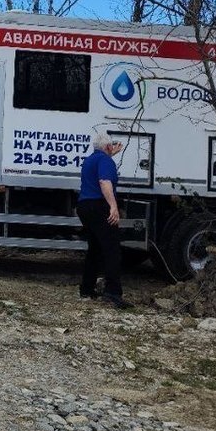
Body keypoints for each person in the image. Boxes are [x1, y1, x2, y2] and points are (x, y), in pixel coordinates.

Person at [77, 130, 131, 309]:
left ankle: (87, 289)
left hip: (84, 206)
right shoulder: (105, 161)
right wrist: (113, 207)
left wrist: (110, 154)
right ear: (108, 146)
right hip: (99, 206)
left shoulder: (92, 159)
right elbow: (104, 182)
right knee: (112, 249)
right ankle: (113, 293)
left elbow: (99, 171)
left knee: (95, 248)